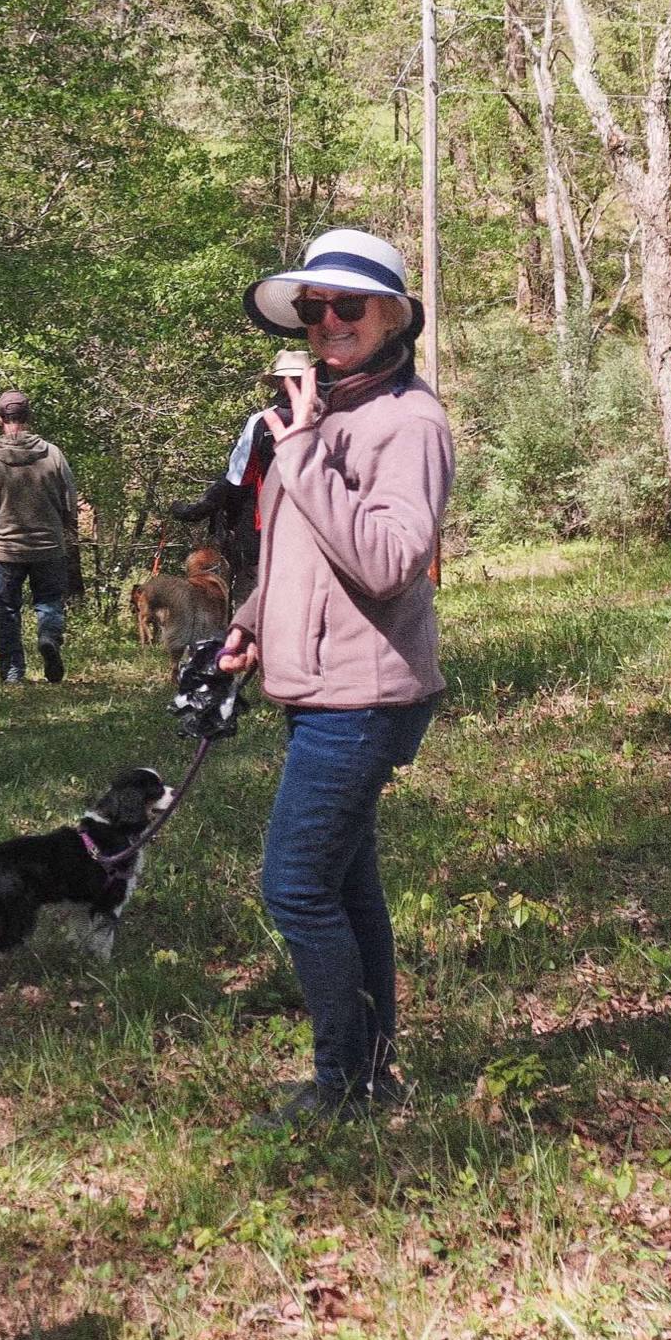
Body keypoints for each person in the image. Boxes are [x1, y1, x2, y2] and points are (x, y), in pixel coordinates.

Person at [217, 229, 453, 1130]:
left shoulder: (408, 422)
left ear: (392, 315)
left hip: (365, 696)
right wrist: (248, 623)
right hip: (319, 684)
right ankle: (372, 1074)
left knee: (296, 887)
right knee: (349, 887)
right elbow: (300, 550)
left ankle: (340, 1083)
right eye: (314, 308)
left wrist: (305, 452)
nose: (327, 322)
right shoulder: (326, 411)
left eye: (348, 305)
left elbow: (390, 562)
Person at [169, 349, 312, 599]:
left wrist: (197, 509)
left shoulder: (263, 421)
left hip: (269, 530)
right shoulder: (333, 415)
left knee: (262, 598)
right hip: (319, 530)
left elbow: (236, 479)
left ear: (279, 383)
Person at [0, 390, 79, 684]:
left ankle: (12, 671)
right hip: (49, 544)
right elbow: (70, 500)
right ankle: (49, 637)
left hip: (6, 548)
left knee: (7, 609)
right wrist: (64, 526)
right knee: (49, 600)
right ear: (29, 417)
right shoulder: (53, 454)